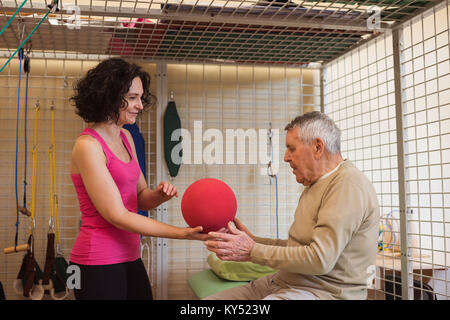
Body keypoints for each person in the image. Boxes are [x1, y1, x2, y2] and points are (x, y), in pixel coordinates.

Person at [69, 58, 208, 300]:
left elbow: (140, 198)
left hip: (130, 256)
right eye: (132, 97)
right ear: (109, 95)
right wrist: (182, 233)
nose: (140, 105)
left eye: (140, 98)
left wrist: (159, 195)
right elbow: (117, 215)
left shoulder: (127, 138)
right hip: (96, 261)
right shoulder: (88, 146)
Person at [205, 111, 380, 300]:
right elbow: (298, 248)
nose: (286, 157)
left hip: (323, 293)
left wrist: (251, 250)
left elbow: (320, 259)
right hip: (283, 283)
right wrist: (253, 241)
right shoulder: (315, 183)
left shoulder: (347, 185)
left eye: (291, 148)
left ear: (318, 147)